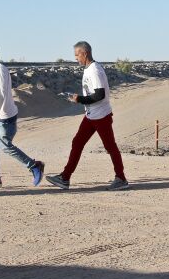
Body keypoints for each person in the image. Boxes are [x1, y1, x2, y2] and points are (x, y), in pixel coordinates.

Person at [46, 42, 129, 190]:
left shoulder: (95, 70)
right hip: (91, 115)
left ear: (84, 53)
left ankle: (121, 178)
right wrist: (79, 99)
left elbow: (100, 94)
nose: (76, 58)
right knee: (77, 142)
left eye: (77, 55)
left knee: (110, 146)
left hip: (101, 115)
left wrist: (79, 99)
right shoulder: (88, 69)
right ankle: (65, 178)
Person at [0, 44, 45, 188]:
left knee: (6, 146)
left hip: (4, 117)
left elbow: (0, 94)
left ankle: (34, 166)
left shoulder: (0, 69)